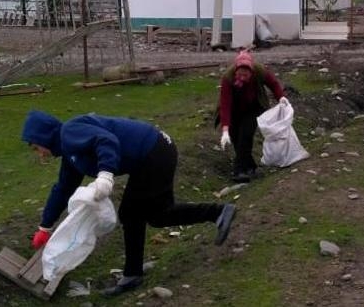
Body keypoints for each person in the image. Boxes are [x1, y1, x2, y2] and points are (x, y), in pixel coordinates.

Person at [22, 110, 236, 296]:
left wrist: (105, 175)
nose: (39, 153)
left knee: (131, 213)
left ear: (44, 136)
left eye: (36, 147)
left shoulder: (69, 132)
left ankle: (132, 274)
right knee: (159, 215)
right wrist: (45, 226)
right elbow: (63, 189)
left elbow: (105, 140)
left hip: (154, 151)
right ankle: (218, 212)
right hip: (156, 151)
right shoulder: (70, 154)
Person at [218, 50, 286, 183]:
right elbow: (225, 104)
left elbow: (273, 84)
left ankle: (239, 171)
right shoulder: (228, 78)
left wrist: (281, 98)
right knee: (236, 138)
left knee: (245, 134)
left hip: (254, 107)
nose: (242, 77)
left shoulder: (260, 71)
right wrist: (225, 129)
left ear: (251, 72)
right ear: (235, 71)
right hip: (235, 109)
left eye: (245, 75)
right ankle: (251, 167)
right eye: (240, 74)